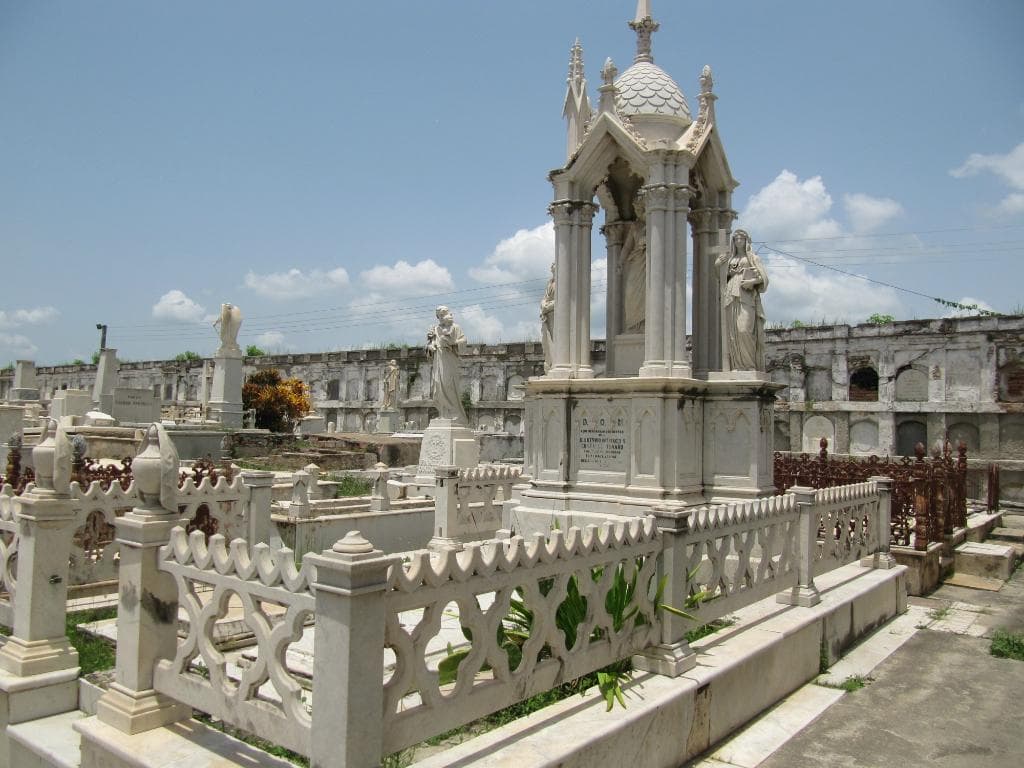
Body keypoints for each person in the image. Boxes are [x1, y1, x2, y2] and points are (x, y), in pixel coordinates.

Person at [716, 229, 769, 370]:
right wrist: (718, 264)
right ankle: (737, 366)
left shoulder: (753, 258)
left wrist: (751, 282)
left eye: (741, 238)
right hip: (731, 295)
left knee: (744, 330)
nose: (738, 241)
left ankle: (750, 365)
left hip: (746, 296)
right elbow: (720, 278)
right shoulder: (730, 260)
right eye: (736, 239)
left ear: (746, 241)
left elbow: (763, 278)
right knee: (732, 333)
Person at [426, 306, 468, 424]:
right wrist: (430, 346)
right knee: (438, 386)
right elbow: (429, 345)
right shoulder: (435, 329)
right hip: (438, 358)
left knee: (448, 385)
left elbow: (463, 341)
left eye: (443, 313)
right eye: (439, 315)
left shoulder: (455, 327)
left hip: (449, 359)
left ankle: (454, 413)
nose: (441, 317)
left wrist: (452, 343)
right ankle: (443, 414)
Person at [620, 196, 647, 333]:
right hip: (636, 261)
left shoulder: (656, 223)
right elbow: (626, 247)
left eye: (640, 208)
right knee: (630, 293)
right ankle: (632, 326)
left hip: (648, 264)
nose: (637, 211)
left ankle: (643, 325)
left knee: (647, 293)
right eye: (636, 208)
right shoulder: (635, 226)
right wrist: (620, 262)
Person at [540, 262, 556, 372]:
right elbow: (545, 298)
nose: (553, 270)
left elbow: (563, 300)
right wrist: (543, 305)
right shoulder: (550, 282)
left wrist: (547, 307)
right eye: (552, 269)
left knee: (556, 341)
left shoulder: (563, 282)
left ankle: (555, 364)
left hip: (557, 316)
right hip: (548, 316)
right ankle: (550, 364)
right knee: (546, 341)